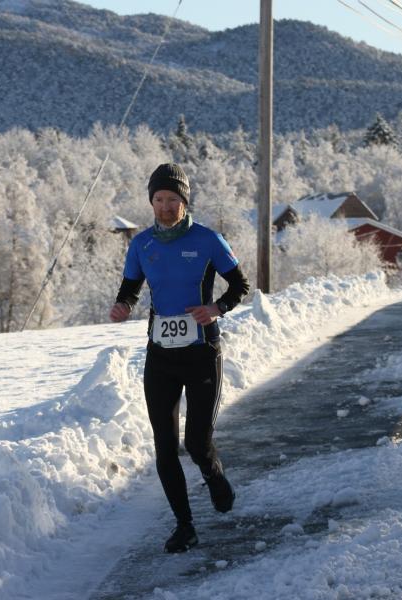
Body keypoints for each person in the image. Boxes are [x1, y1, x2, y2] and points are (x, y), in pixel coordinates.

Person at [109, 163, 250, 553]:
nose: (166, 206)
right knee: (166, 444)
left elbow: (240, 284)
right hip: (161, 355)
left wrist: (217, 308)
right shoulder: (142, 245)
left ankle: (214, 474)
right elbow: (130, 287)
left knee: (197, 441)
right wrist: (123, 305)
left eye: (173, 199)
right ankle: (184, 525)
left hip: (202, 352)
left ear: (184, 202)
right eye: (159, 199)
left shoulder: (208, 240)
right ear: (151, 202)